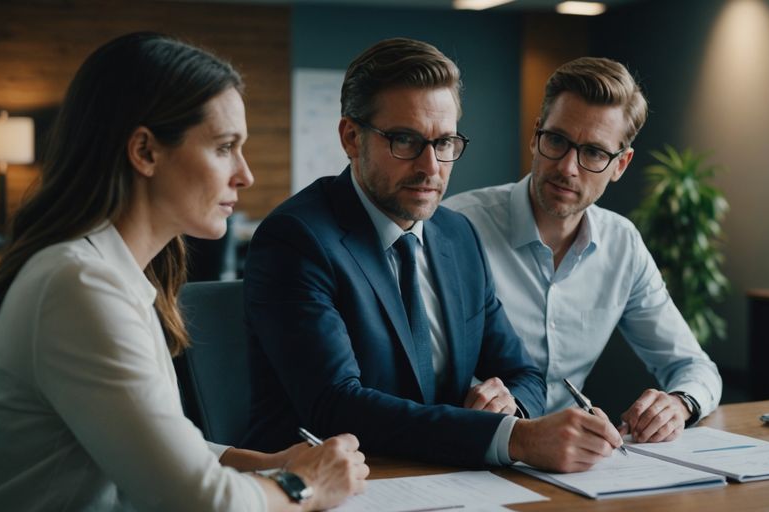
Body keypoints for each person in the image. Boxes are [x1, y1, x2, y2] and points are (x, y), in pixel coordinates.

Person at [0, 32, 367, 511]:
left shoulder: (110, 274)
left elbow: (161, 445)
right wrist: (305, 486)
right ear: (146, 152)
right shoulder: (78, 285)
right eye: (224, 147)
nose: (245, 174)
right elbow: (199, 503)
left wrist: (263, 462)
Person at [242, 38, 623, 473]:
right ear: (351, 137)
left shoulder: (456, 234)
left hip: (446, 482)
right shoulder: (297, 238)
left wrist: (509, 407)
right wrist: (513, 438)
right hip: (322, 486)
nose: (431, 167)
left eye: (444, 143)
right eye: (405, 141)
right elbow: (336, 406)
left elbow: (524, 373)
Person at [443, 57, 722, 444]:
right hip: (469, 447)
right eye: (557, 141)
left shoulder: (622, 245)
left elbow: (692, 365)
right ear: (535, 135)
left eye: (593, 153)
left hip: (567, 459)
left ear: (620, 164)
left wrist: (678, 403)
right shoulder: (455, 227)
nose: (568, 168)